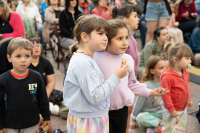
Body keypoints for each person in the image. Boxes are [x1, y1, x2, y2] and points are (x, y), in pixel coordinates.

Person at [94, 19, 169, 133]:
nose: (125, 42)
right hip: (101, 111)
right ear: (107, 39)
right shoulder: (96, 57)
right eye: (119, 38)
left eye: (126, 37)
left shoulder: (127, 58)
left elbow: (132, 83)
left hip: (122, 110)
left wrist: (151, 92)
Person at [63, 15, 130, 132]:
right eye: (100, 34)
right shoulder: (83, 62)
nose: (105, 38)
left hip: (90, 117)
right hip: (88, 121)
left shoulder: (86, 58)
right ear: (84, 37)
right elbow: (95, 96)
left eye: (106, 34)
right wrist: (116, 77)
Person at [0, 37, 51, 133]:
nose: (23, 60)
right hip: (9, 124)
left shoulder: (36, 77)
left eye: (27, 56)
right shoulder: (2, 80)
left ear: (31, 56)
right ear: (9, 58)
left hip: (31, 123)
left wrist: (46, 116)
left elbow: (43, 99)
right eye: (18, 56)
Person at [28, 38, 63, 133]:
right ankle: (47, 107)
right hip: (30, 93)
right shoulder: (25, 64)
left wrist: (44, 95)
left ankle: (44, 106)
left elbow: (51, 82)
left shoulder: (46, 63)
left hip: (44, 92)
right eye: (33, 45)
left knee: (60, 95)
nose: (36, 48)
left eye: (38, 45)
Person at [161, 42, 193, 132]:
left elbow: (187, 86)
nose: (190, 61)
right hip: (171, 109)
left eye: (190, 58)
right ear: (175, 60)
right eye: (187, 58)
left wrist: (189, 99)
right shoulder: (167, 76)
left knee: (180, 128)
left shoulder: (185, 71)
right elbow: (165, 95)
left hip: (183, 108)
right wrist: (171, 110)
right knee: (169, 129)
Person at [129, 55, 166, 133]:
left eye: (165, 67)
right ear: (152, 71)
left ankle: (154, 127)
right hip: (148, 114)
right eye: (161, 68)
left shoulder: (167, 84)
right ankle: (162, 124)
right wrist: (133, 119)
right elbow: (138, 104)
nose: (165, 70)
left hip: (161, 113)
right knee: (140, 118)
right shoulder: (146, 86)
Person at [111, 5, 140, 75]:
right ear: (125, 20)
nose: (138, 19)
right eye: (135, 16)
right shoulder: (121, 41)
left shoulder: (130, 36)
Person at [0, 0, 25, 75]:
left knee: (5, 46)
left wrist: (1, 35)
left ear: (3, 7)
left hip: (17, 42)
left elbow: (19, 34)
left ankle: (3, 73)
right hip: (2, 43)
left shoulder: (14, 16)